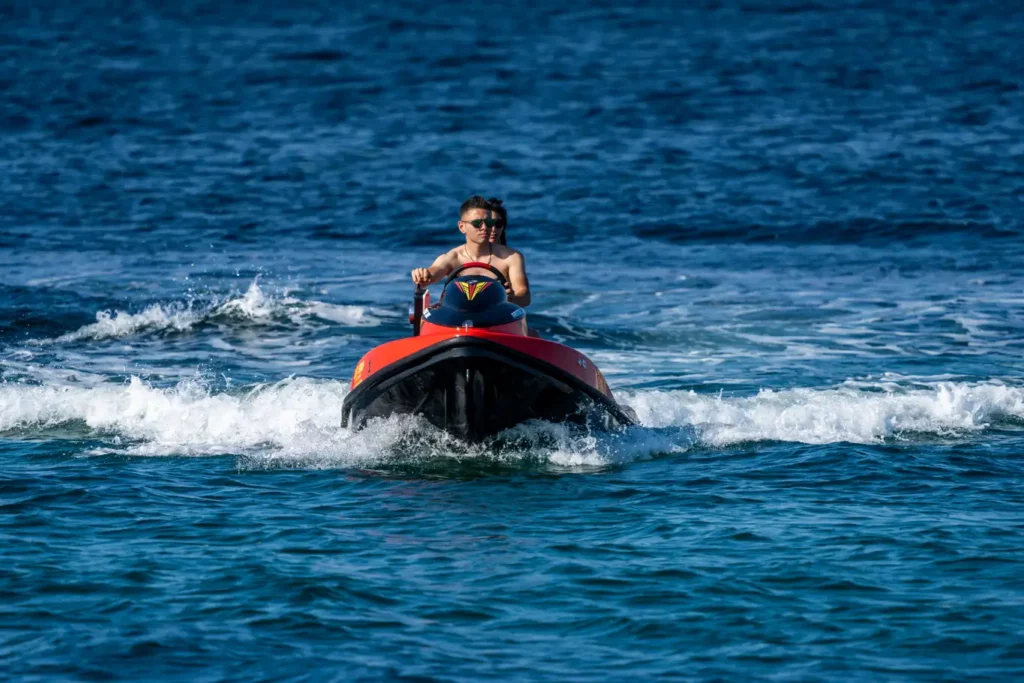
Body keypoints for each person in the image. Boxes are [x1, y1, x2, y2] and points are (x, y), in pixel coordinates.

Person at [411, 195, 531, 307]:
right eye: (477, 223)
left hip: (497, 320)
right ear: (462, 227)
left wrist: (511, 298)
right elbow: (432, 274)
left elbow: (524, 295)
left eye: (489, 222)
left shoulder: (512, 257)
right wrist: (422, 275)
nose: (485, 228)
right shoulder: (452, 258)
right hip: (459, 320)